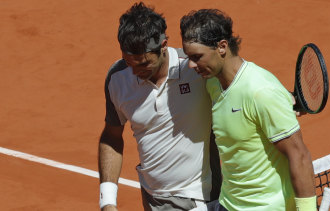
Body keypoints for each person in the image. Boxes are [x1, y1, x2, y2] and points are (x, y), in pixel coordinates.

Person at [180, 9, 316, 211]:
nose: (191, 65)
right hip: (229, 203)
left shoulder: (261, 92)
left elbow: (300, 156)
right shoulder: (213, 83)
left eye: (197, 57)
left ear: (222, 47)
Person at [98, 2, 222, 211]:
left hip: (198, 197)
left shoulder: (195, 68)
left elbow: (241, 83)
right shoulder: (118, 78)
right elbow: (111, 136)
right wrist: (107, 201)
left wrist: (285, 101)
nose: (136, 71)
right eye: (129, 63)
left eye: (144, 63)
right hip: (152, 198)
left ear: (163, 45)